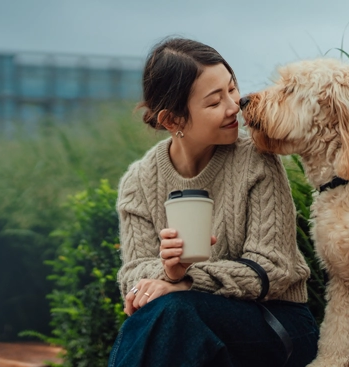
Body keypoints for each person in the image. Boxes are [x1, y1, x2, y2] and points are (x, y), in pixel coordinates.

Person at [108, 38, 319, 367]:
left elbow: (273, 269)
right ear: (172, 120)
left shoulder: (256, 159)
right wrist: (169, 273)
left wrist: (186, 280)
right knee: (172, 315)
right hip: (186, 323)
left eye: (232, 89)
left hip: (276, 325)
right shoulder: (139, 182)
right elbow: (133, 276)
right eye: (214, 102)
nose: (234, 106)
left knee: (174, 311)